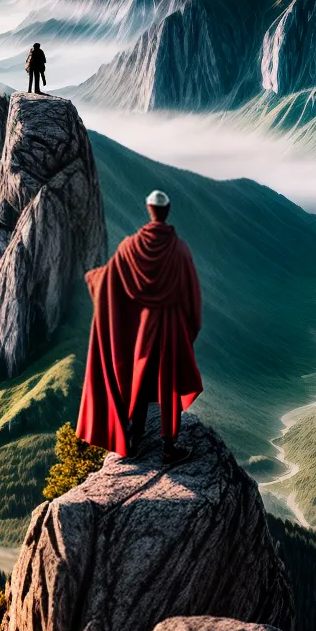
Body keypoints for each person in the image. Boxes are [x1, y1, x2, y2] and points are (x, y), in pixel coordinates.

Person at [76, 189, 202, 465]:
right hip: (169, 327)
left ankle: (133, 439)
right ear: (166, 211)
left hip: (140, 330)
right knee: (168, 384)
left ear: (149, 209)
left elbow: (110, 280)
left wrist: (91, 277)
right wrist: (189, 329)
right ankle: (169, 448)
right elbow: (192, 296)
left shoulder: (130, 247)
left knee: (138, 378)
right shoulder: (179, 250)